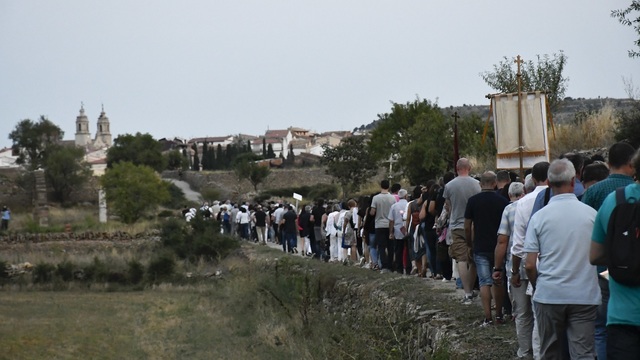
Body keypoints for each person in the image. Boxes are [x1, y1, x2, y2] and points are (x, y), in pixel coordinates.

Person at [524, 159, 601, 359]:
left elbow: (530, 264)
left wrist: (537, 284)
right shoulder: (591, 215)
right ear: (573, 180)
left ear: (548, 183)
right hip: (584, 294)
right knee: (583, 352)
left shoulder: (539, 218)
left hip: (549, 294)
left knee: (550, 352)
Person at [582, 142, 636, 360]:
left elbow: (593, 251)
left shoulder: (600, 194)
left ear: (609, 163)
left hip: (612, 278)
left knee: (601, 329)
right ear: (630, 164)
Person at [511, 161, 550, 359]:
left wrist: (515, 271)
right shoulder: (560, 196)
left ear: (533, 180)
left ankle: (528, 353)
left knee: (528, 314)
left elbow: (517, 244)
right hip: (554, 263)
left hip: (529, 262)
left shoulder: (524, 202)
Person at [464, 171, 509, 326]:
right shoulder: (502, 201)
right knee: (498, 280)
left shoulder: (473, 201)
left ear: (480, 184)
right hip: (498, 246)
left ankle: (488, 317)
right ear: (495, 183)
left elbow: (467, 225)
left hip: (480, 245)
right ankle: (499, 315)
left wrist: (470, 243)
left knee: (484, 282)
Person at [493, 182, 527, 356]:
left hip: (516, 266)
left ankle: (525, 351)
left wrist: (497, 267)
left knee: (521, 312)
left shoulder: (509, 210)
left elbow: (502, 241)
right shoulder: (539, 204)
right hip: (538, 265)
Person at [444, 158, 481, 304]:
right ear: (469, 168)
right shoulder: (477, 184)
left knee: (461, 258)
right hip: (474, 225)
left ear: (457, 168)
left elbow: (448, 206)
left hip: (457, 225)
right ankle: (471, 289)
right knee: (473, 259)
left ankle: (467, 293)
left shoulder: (449, 186)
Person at [370, 180, 397, 274]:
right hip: (390, 224)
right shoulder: (392, 198)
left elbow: (372, 212)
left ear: (381, 186)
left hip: (379, 224)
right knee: (390, 246)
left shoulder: (376, 198)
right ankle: (390, 266)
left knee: (381, 246)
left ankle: (384, 266)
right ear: (388, 187)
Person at [388, 189, 410, 274]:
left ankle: (399, 268)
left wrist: (391, 232)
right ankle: (408, 268)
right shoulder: (409, 204)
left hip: (397, 230)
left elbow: (391, 220)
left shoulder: (394, 206)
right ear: (406, 196)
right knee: (408, 249)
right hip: (407, 229)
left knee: (398, 250)